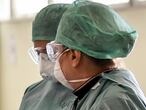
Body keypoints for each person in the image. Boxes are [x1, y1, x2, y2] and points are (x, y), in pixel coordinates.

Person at [46, 1, 146, 110]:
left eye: (57, 51)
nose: (56, 61)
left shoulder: (111, 101)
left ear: (74, 56)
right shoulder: (101, 91)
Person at [19, 4, 76, 110]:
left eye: (50, 52)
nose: (43, 68)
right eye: (38, 53)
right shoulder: (32, 95)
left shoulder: (102, 95)